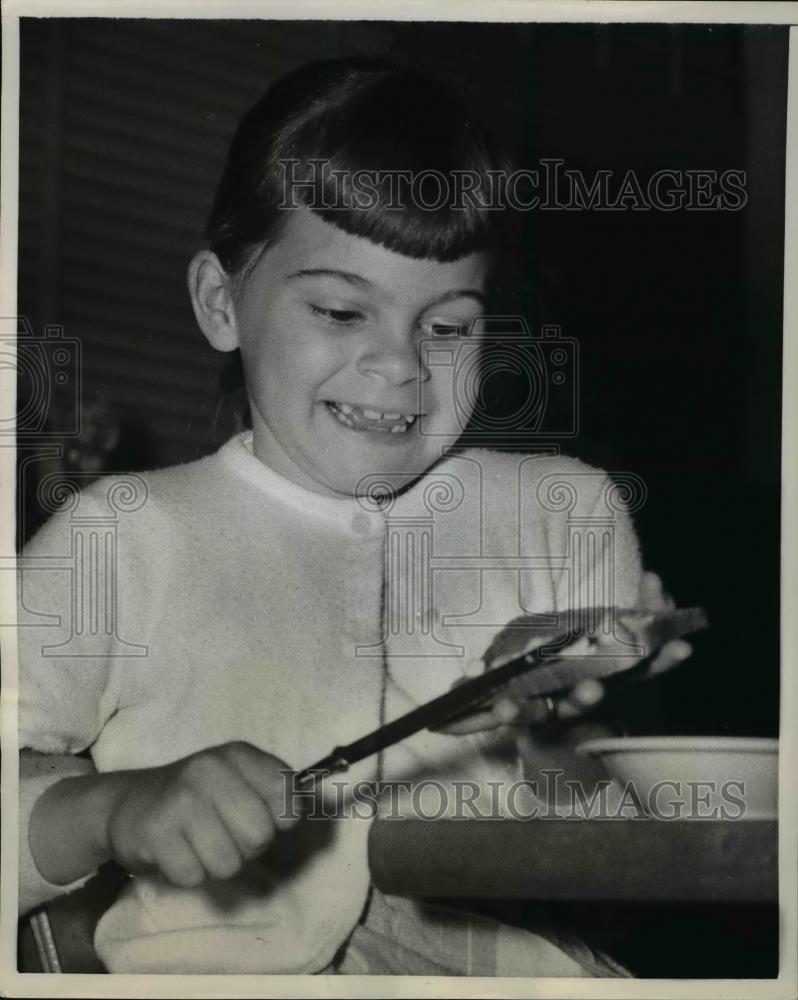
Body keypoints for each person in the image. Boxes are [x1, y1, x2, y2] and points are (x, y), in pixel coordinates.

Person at [17, 58, 690, 976]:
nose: (399, 366)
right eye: (340, 310)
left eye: (448, 327)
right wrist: (114, 808)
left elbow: (635, 859)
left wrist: (556, 737)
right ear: (222, 303)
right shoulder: (123, 537)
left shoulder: (562, 513)